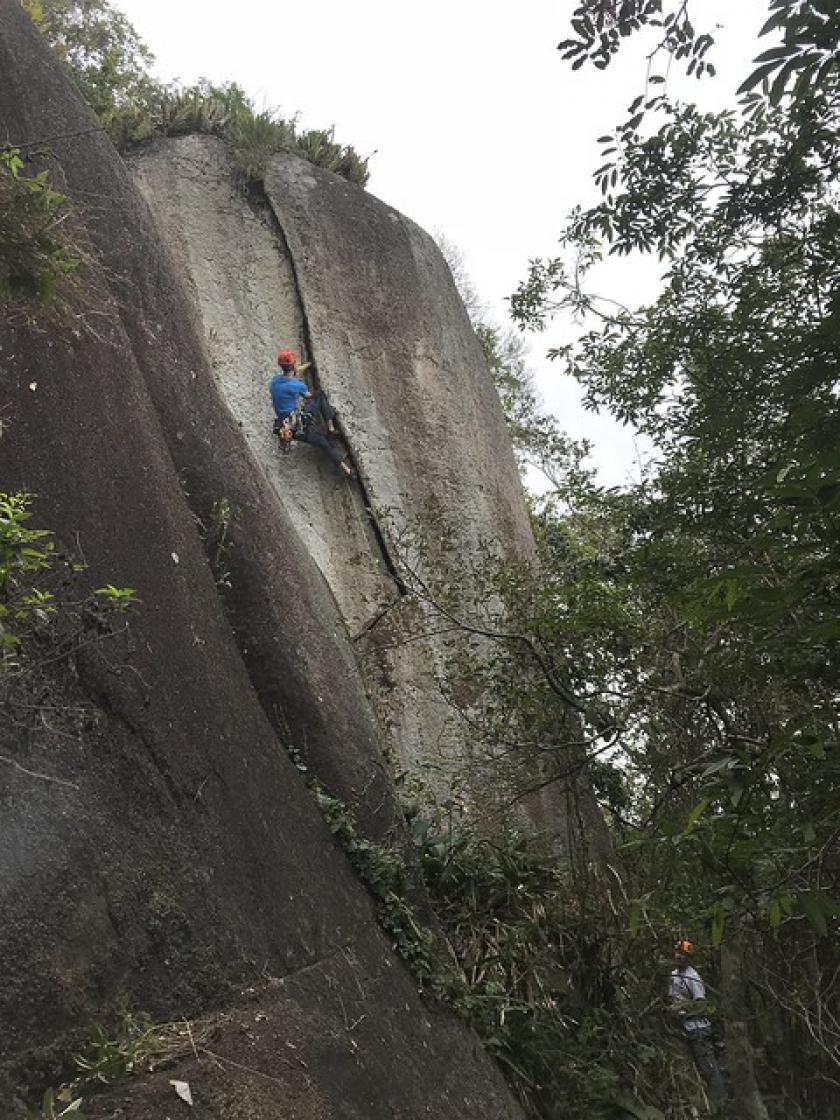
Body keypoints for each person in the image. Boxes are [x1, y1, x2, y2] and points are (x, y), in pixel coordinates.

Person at [269, 349, 352, 477]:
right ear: (294, 364)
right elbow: (309, 397)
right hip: (298, 423)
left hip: (284, 427)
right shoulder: (297, 386)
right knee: (319, 395)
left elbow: (293, 373)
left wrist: (309, 364)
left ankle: (347, 471)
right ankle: (331, 428)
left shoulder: (274, 381)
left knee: (322, 442)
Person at [668, 939, 727, 1109]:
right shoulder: (673, 975)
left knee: (709, 1067)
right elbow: (673, 998)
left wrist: (683, 1011)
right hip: (682, 1027)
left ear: (689, 958)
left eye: (684, 955)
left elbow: (701, 1004)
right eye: (678, 953)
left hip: (697, 1027)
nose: (679, 957)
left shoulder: (693, 977)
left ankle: (720, 1105)